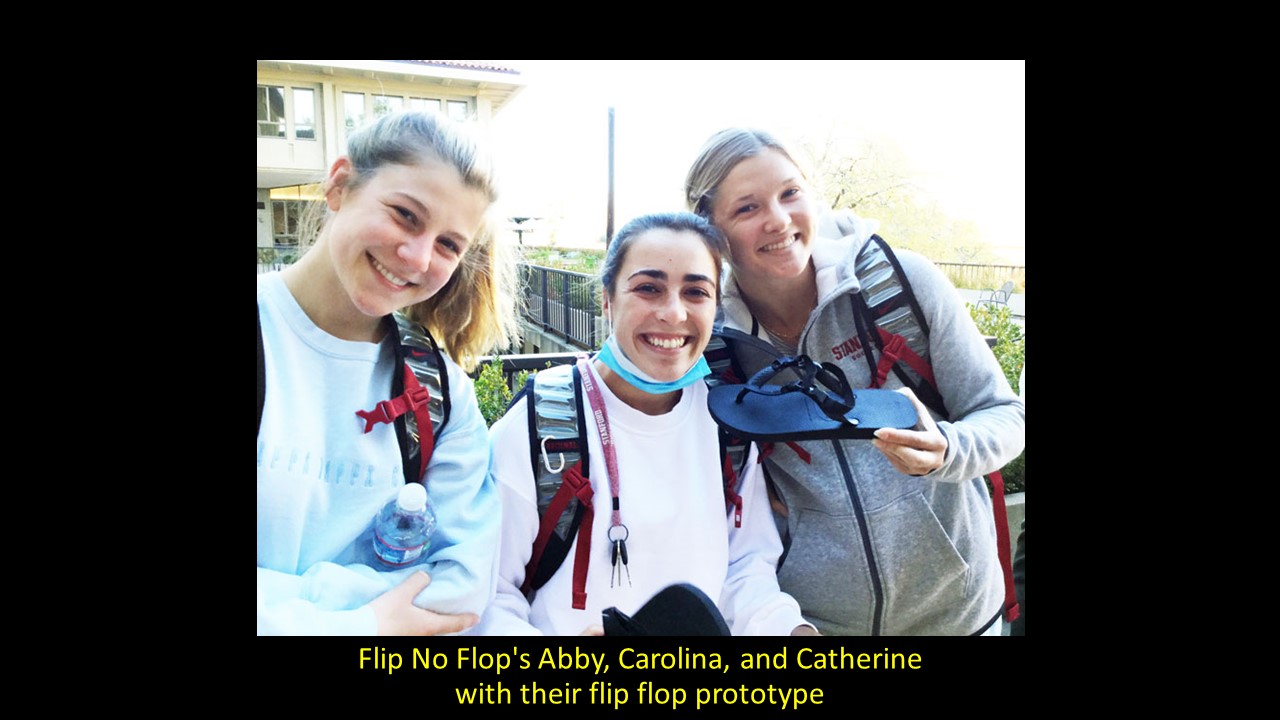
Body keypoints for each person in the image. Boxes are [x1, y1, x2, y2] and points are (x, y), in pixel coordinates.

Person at [684, 128, 1025, 636]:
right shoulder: (710, 346)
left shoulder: (902, 285)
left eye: (790, 193)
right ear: (711, 230)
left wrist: (948, 448)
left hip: (963, 613)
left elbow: (1005, 414)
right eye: (747, 208)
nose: (779, 220)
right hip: (817, 628)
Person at [474, 212, 815, 636]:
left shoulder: (726, 420)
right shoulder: (541, 421)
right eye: (648, 288)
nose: (673, 314)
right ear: (607, 298)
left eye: (695, 292)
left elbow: (746, 569)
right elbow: (488, 596)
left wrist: (788, 629)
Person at [257, 111, 518, 635]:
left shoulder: (443, 393)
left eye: (449, 244)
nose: (418, 258)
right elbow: (417, 606)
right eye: (405, 215)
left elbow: (463, 588)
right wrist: (371, 623)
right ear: (339, 185)